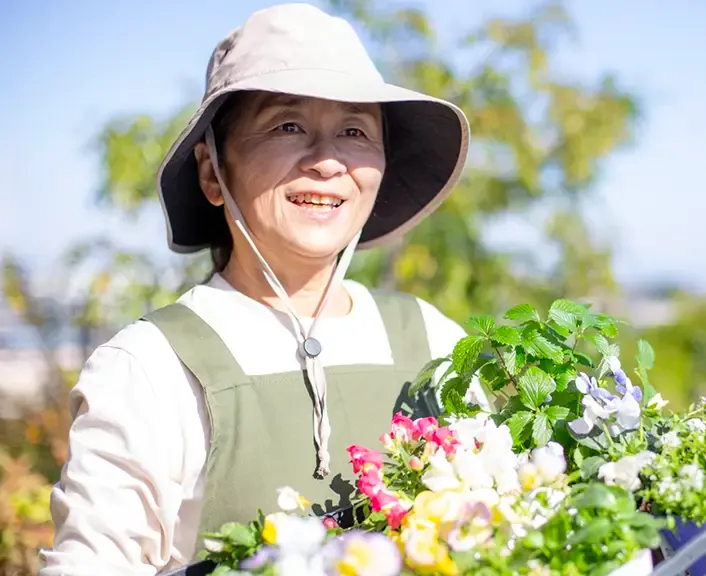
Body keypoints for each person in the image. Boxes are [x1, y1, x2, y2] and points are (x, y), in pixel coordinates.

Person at [39, 4, 487, 574]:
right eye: (287, 126)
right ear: (211, 172)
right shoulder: (150, 368)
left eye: (354, 131)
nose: (327, 161)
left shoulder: (434, 339)